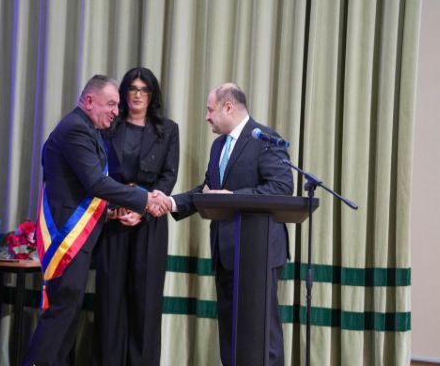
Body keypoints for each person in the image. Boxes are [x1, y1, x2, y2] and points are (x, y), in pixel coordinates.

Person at [22, 75, 170, 366]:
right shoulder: (75, 129)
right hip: (67, 238)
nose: (116, 111)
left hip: (79, 239)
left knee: (67, 317)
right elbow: (96, 183)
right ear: (89, 101)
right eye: (111, 104)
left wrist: (112, 209)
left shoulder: (88, 129)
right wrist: (144, 199)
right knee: (60, 316)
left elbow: (85, 188)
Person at [168, 83, 293, 366]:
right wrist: (172, 203)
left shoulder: (265, 139)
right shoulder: (218, 146)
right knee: (231, 331)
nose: (206, 117)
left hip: (259, 251)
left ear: (228, 107)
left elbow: (282, 187)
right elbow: (209, 190)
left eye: (210, 110)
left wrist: (233, 196)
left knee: (262, 332)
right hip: (225, 252)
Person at [93, 67, 179, 366]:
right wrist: (115, 207)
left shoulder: (168, 130)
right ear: (124, 92)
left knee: (145, 304)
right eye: (133, 88)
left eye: (144, 89)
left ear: (152, 95)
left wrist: (142, 208)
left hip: (149, 223)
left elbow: (168, 176)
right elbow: (97, 173)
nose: (138, 95)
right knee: (110, 302)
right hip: (113, 220)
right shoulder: (108, 127)